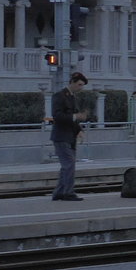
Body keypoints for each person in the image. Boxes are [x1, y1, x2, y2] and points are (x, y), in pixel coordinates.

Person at [50, 71, 89, 201]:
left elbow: (74, 117)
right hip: (61, 136)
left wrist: (79, 130)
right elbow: (57, 116)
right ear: (71, 82)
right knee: (69, 164)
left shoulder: (72, 97)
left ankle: (59, 192)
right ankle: (68, 192)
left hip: (70, 137)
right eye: (79, 85)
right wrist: (75, 116)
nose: (80, 88)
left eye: (82, 85)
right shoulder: (59, 96)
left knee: (66, 165)